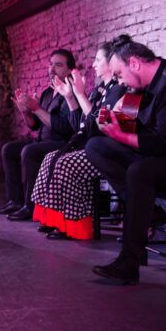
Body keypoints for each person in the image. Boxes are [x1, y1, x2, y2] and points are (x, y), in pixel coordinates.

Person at [86, 35, 166, 284]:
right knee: (97, 147)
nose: (119, 82)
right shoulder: (140, 87)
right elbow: (132, 129)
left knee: (139, 172)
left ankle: (129, 263)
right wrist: (118, 120)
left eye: (119, 75)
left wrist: (121, 134)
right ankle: (150, 212)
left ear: (134, 63)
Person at [31, 42, 126, 239]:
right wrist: (70, 97)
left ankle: (74, 226)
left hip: (104, 151)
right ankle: (54, 219)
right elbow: (80, 124)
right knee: (51, 158)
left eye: (98, 60)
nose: (93, 65)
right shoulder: (100, 89)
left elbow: (101, 125)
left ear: (111, 63)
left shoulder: (117, 90)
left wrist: (80, 94)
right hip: (90, 145)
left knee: (66, 164)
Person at [0, 49, 75, 221]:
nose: (52, 69)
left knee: (30, 151)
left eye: (58, 65)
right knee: (9, 149)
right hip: (42, 140)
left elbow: (63, 127)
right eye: (51, 64)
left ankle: (30, 206)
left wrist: (36, 108)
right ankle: (15, 200)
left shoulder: (71, 92)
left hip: (62, 142)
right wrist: (25, 112)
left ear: (70, 70)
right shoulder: (48, 92)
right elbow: (35, 126)